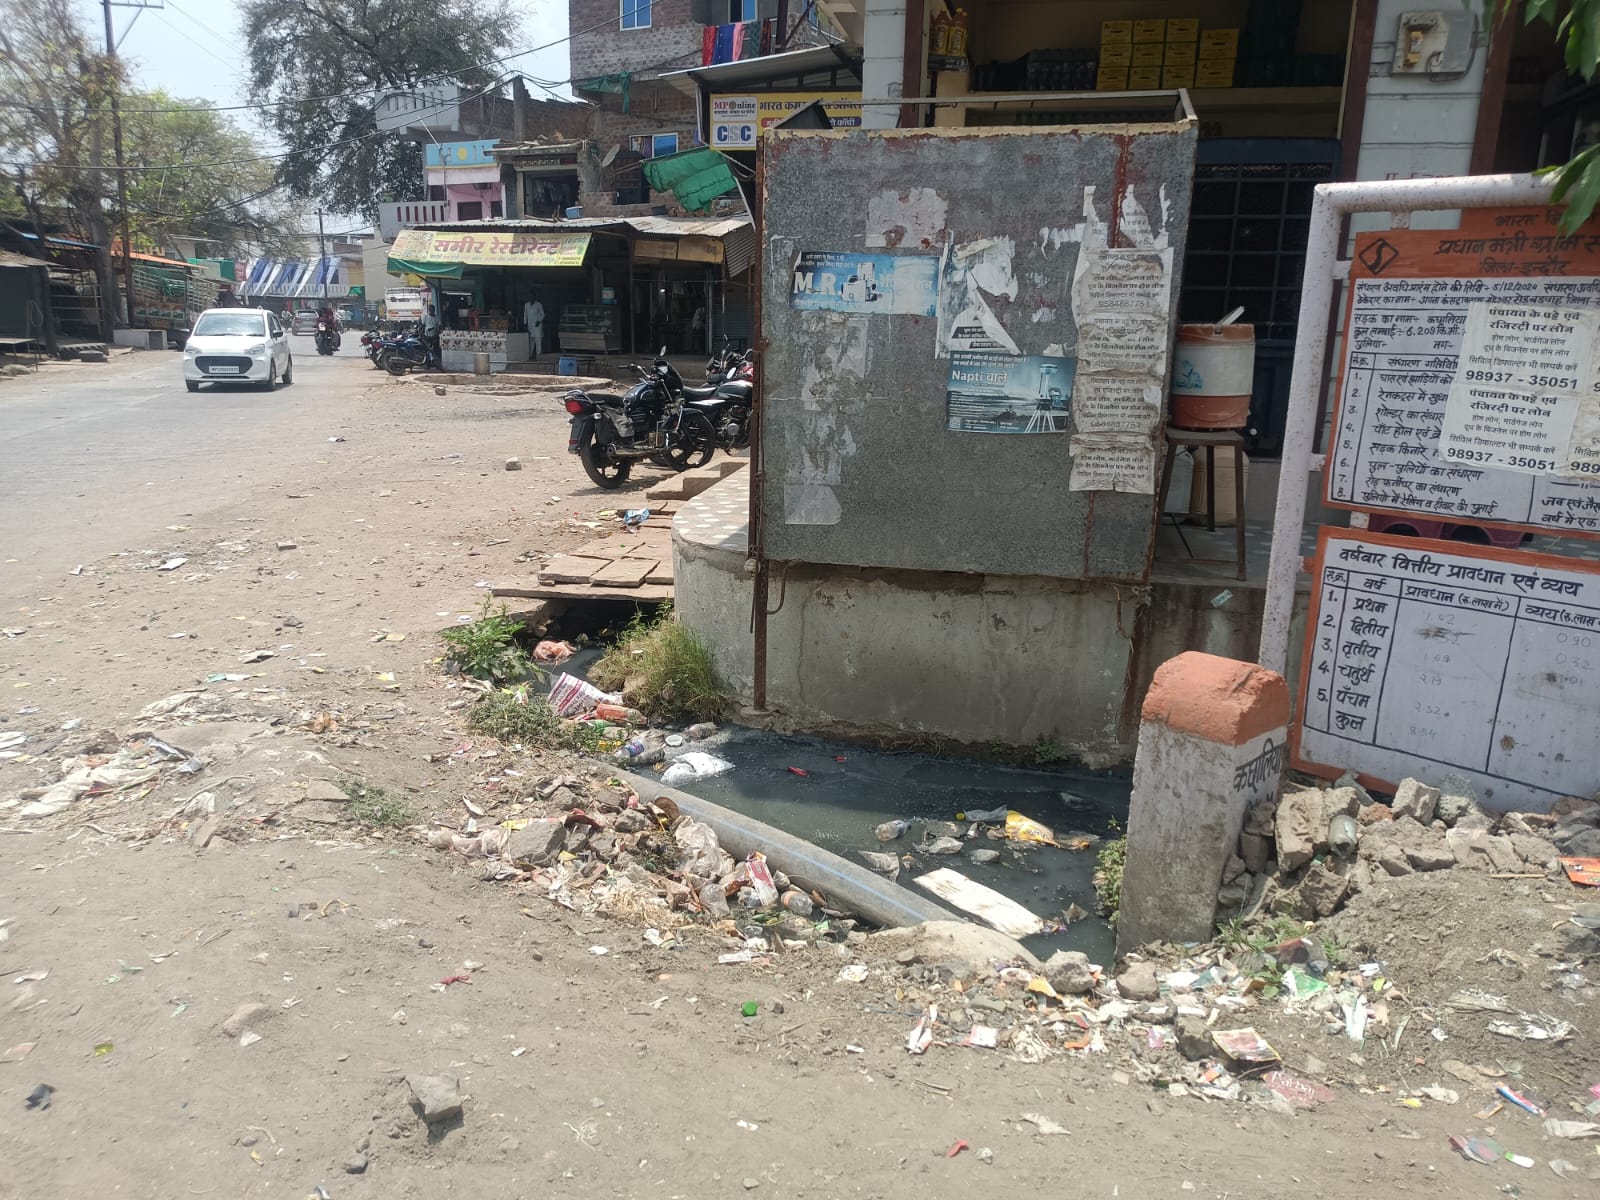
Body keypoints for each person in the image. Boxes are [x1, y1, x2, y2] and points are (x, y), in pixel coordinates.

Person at [523, 293, 546, 359]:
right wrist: (525, 324)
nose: (531, 297)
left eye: (532, 296)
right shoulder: (526, 304)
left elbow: (543, 314)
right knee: (530, 342)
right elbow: (525, 315)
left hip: (537, 325)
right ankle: (529, 356)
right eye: (530, 296)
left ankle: (539, 356)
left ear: (535, 297)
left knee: (538, 341)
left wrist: (539, 321)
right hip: (530, 326)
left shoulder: (539, 304)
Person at [421, 301, 441, 368]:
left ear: (434, 310)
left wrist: (437, 334)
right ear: (429, 310)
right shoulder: (425, 317)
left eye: (433, 310)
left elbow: (439, 327)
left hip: (434, 336)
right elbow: (423, 326)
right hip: (427, 336)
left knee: (435, 350)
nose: (432, 311)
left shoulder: (437, 317)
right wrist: (423, 334)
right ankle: (428, 364)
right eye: (431, 310)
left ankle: (436, 363)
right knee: (427, 350)